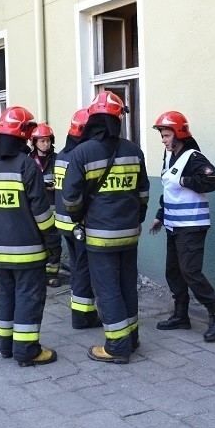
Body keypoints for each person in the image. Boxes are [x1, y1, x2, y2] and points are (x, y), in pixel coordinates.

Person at [62, 92, 150, 364]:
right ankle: (132, 337)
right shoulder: (134, 150)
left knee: (107, 289)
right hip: (130, 234)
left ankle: (117, 346)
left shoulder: (82, 153)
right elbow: (144, 192)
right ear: (117, 120)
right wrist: (137, 219)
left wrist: (80, 218)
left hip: (99, 236)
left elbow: (70, 198)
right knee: (127, 286)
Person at [0, 106, 58, 367]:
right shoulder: (26, 165)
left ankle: (6, 345)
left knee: (7, 296)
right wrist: (52, 240)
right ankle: (27, 350)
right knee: (29, 297)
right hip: (28, 250)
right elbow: (41, 212)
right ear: (22, 135)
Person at [149, 111, 215, 342]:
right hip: (174, 225)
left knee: (190, 272)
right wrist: (160, 215)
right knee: (173, 272)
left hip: (192, 226)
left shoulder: (192, 157)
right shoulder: (169, 157)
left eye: (166, 135)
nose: (163, 140)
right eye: (162, 136)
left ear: (178, 134)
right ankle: (181, 316)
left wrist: (186, 180)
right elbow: (170, 192)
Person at [54, 108, 102, 329]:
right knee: (83, 268)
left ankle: (80, 309)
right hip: (78, 223)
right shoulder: (79, 155)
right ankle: (82, 316)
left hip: (64, 223)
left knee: (76, 266)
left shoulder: (62, 155)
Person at [29, 123, 64, 287]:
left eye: (48, 140)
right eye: (42, 141)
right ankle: (37, 272)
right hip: (34, 211)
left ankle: (52, 274)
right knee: (36, 242)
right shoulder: (28, 161)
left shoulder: (58, 159)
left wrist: (57, 186)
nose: (46, 144)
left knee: (54, 242)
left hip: (53, 208)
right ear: (34, 142)